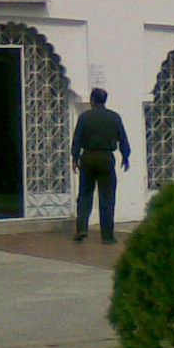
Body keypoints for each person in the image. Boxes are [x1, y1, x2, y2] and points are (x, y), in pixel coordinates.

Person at [71, 87, 130, 243]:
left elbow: (77, 139)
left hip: (88, 157)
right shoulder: (114, 117)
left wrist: (75, 157)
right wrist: (125, 156)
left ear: (92, 100)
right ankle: (107, 235)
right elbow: (123, 138)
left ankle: (82, 228)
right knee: (107, 197)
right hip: (106, 158)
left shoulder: (84, 117)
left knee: (85, 194)